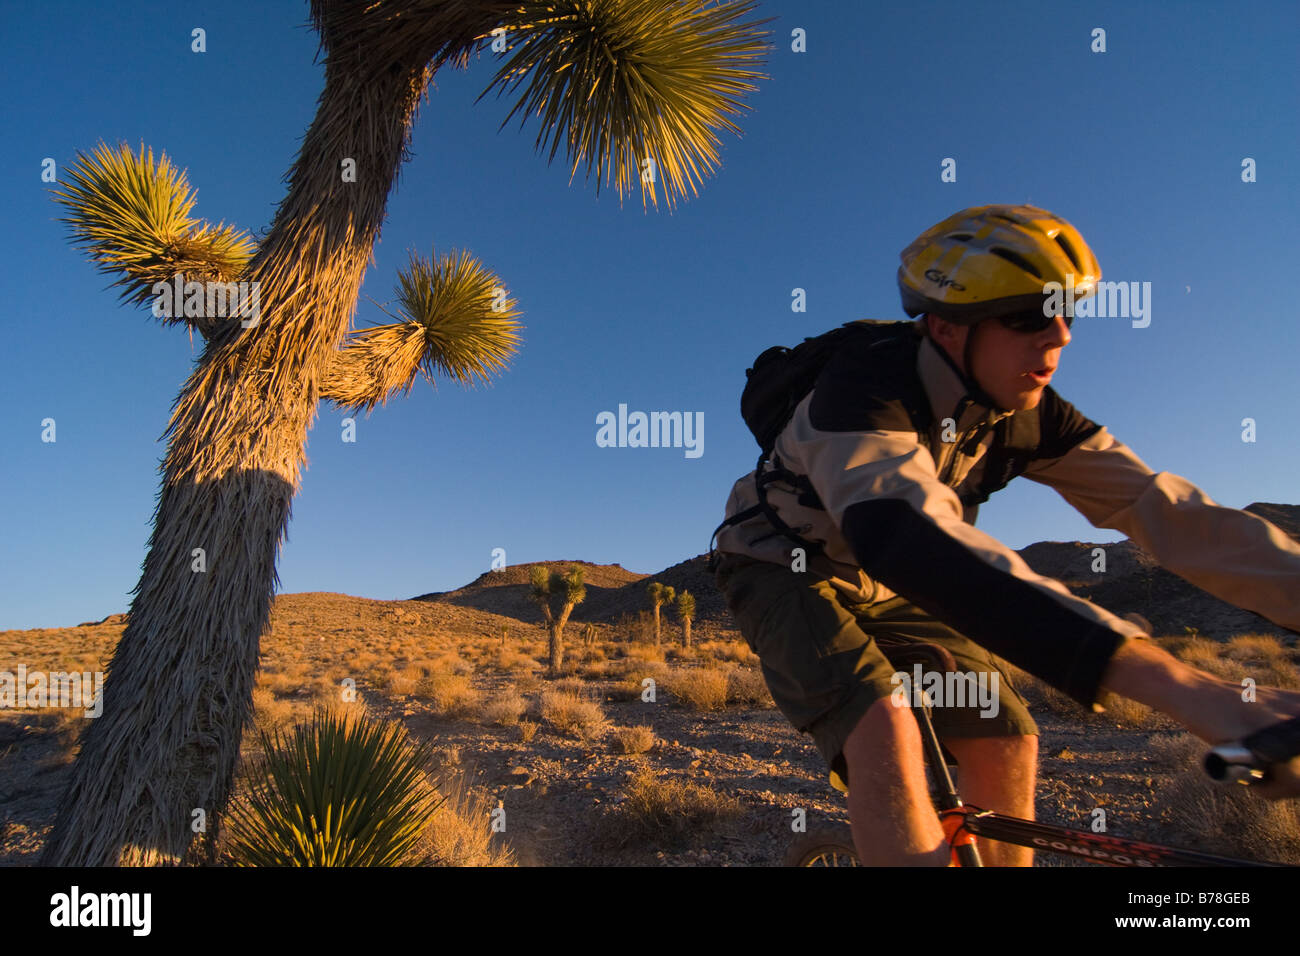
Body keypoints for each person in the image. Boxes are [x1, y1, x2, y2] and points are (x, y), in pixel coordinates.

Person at [709, 204, 1300, 866]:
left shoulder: (1028, 413)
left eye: (1066, 311)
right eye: (1028, 316)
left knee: (1007, 737)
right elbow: (904, 532)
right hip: (785, 566)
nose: (1060, 337)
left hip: (892, 580)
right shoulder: (865, 388)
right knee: (885, 730)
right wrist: (1193, 691)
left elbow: (1162, 509)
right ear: (947, 327)